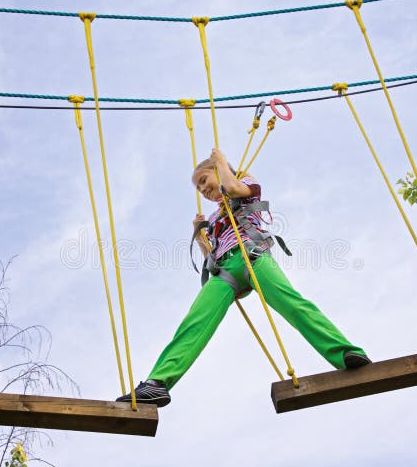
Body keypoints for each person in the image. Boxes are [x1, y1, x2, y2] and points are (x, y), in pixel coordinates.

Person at [117, 148, 369, 407]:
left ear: (220, 170)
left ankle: (345, 353)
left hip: (253, 257)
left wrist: (221, 162)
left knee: (294, 305)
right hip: (225, 272)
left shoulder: (246, 186)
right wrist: (200, 235)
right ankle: (158, 383)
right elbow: (210, 256)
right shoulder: (215, 218)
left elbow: (233, 188)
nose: (202, 189)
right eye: (198, 187)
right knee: (195, 321)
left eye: (204, 180)